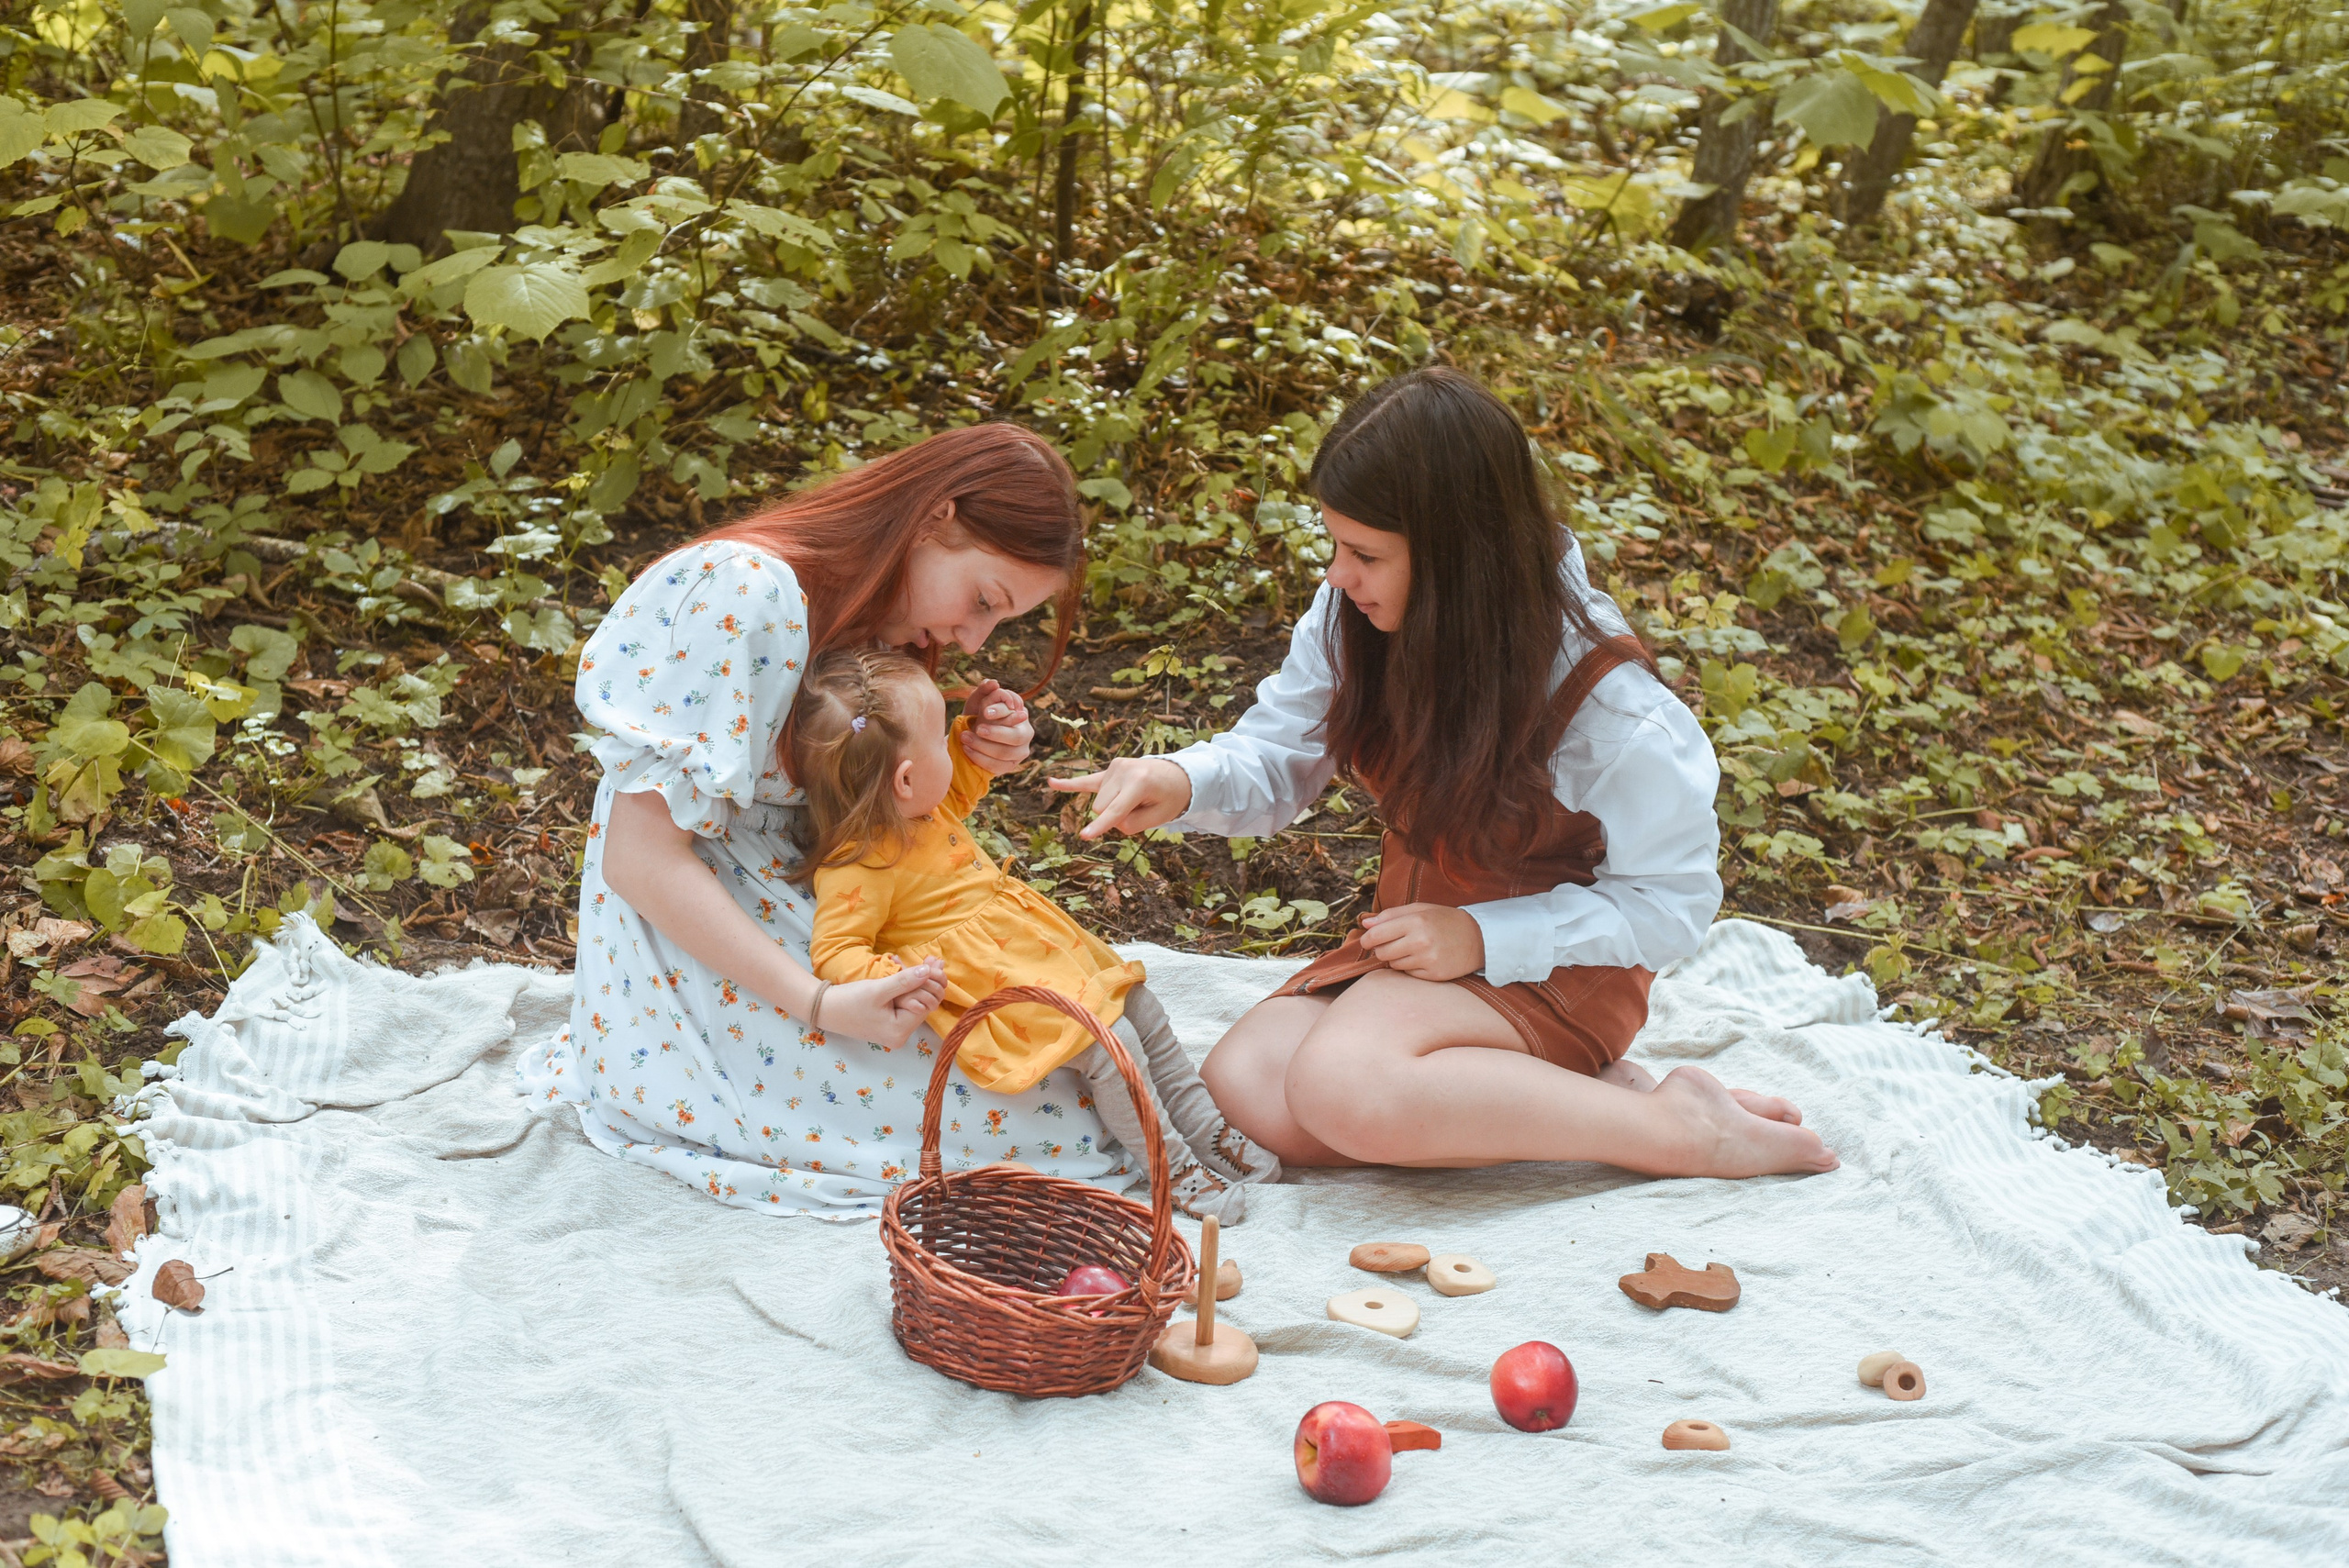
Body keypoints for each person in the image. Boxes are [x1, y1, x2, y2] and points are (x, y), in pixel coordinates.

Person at [1052, 368, 1838, 1180]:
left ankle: (1678, 1133)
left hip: (1557, 970)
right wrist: (1181, 779)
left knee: (1341, 1085)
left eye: (1364, 554)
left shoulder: (1610, 706)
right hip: (1426, 953)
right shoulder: (1356, 614)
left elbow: (1672, 903)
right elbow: (1280, 749)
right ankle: (1604, 1100)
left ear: (1462, 560)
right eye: (1334, 545)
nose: (1336, 575)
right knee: (1245, 1087)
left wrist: (1483, 935)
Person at [518, 424, 1142, 1218]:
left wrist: (963, 750)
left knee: (1062, 1059)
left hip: (818, 906)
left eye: (1001, 620)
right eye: (982, 601)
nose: (974, 637)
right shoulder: (739, 591)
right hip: (697, 934)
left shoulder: (876, 618)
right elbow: (637, 859)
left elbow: (867, 809)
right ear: (933, 518)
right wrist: (816, 1003)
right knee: (1038, 1113)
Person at [790, 650, 1283, 1220]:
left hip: (1043, 957)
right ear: (904, 778)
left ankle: (1210, 1132)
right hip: (1002, 986)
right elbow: (836, 952)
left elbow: (959, 782)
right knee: (1110, 1046)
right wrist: (903, 977)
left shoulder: (921, 809)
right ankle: (1170, 1166)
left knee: (1141, 1006)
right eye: (939, 741)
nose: (952, 751)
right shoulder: (858, 865)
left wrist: (975, 729)